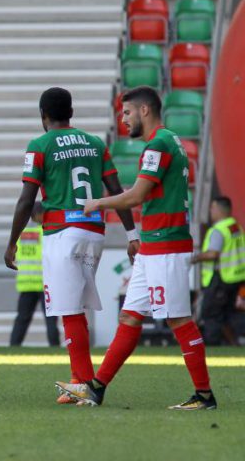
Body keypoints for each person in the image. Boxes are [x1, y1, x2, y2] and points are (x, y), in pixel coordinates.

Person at [58, 86, 217, 411]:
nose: (123, 118)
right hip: (153, 247)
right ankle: (97, 389)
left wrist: (98, 202)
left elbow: (137, 195)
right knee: (130, 318)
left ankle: (204, 395)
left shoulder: (158, 145)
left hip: (166, 247)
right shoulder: (170, 140)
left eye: (127, 112)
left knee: (179, 321)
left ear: (145, 110)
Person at [4, 87, 139, 404]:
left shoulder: (39, 145)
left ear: (43, 115)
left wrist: (12, 243)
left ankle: (85, 385)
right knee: (75, 308)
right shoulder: (95, 143)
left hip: (64, 233)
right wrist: (133, 235)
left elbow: (26, 200)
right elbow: (117, 189)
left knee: (69, 310)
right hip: (95, 231)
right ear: (72, 113)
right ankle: (79, 380)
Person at [193, 196, 245, 346]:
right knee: (228, 314)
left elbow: (213, 254)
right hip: (235, 277)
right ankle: (234, 344)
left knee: (211, 314)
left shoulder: (218, 230)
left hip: (220, 279)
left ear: (217, 209)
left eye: (212, 208)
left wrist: (194, 258)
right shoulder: (236, 227)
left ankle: (213, 347)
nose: (211, 211)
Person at [9, 202, 61, 348]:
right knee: (51, 319)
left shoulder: (21, 233)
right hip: (45, 283)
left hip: (26, 282)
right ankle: (55, 347)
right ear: (38, 214)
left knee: (22, 319)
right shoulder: (46, 232)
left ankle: (14, 347)